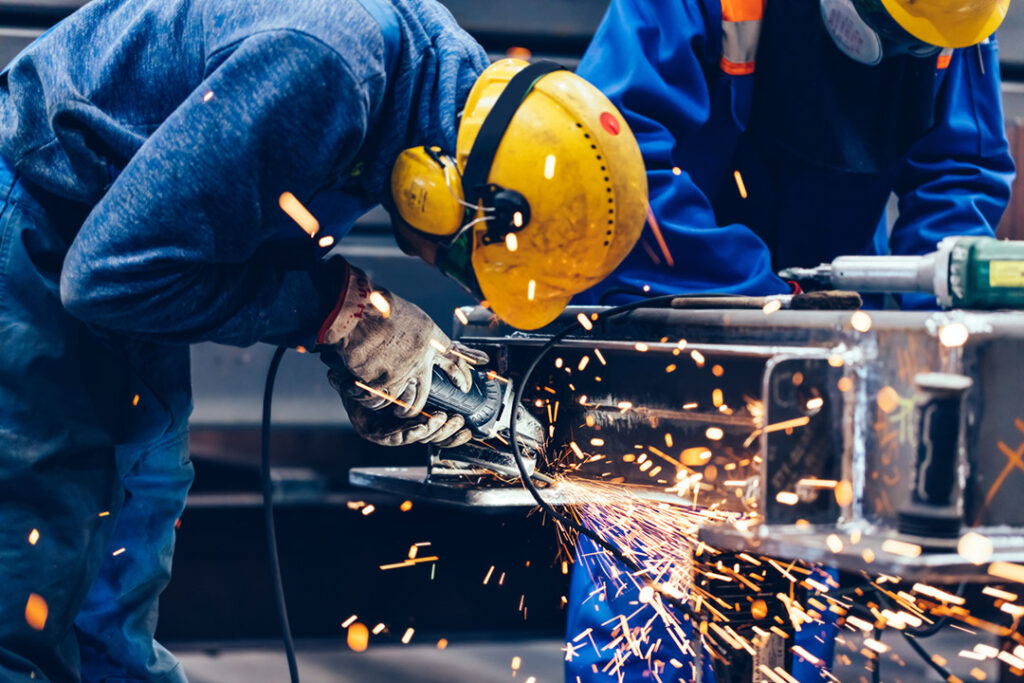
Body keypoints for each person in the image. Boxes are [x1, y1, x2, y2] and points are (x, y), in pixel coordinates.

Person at [0, 0, 648, 679]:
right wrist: (339, 311)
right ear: (433, 189)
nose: (446, 272)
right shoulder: (327, 70)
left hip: (141, 244)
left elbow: (235, 204)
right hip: (43, 223)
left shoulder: (437, 89)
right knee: (31, 572)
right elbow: (106, 277)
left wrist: (346, 333)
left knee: (129, 546)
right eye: (465, 262)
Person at [567, 0, 1015, 680]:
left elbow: (961, 176)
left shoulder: (954, 12)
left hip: (826, 355)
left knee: (797, 613)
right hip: (673, 332)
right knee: (646, 607)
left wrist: (922, 342)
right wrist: (759, 300)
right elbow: (612, 163)